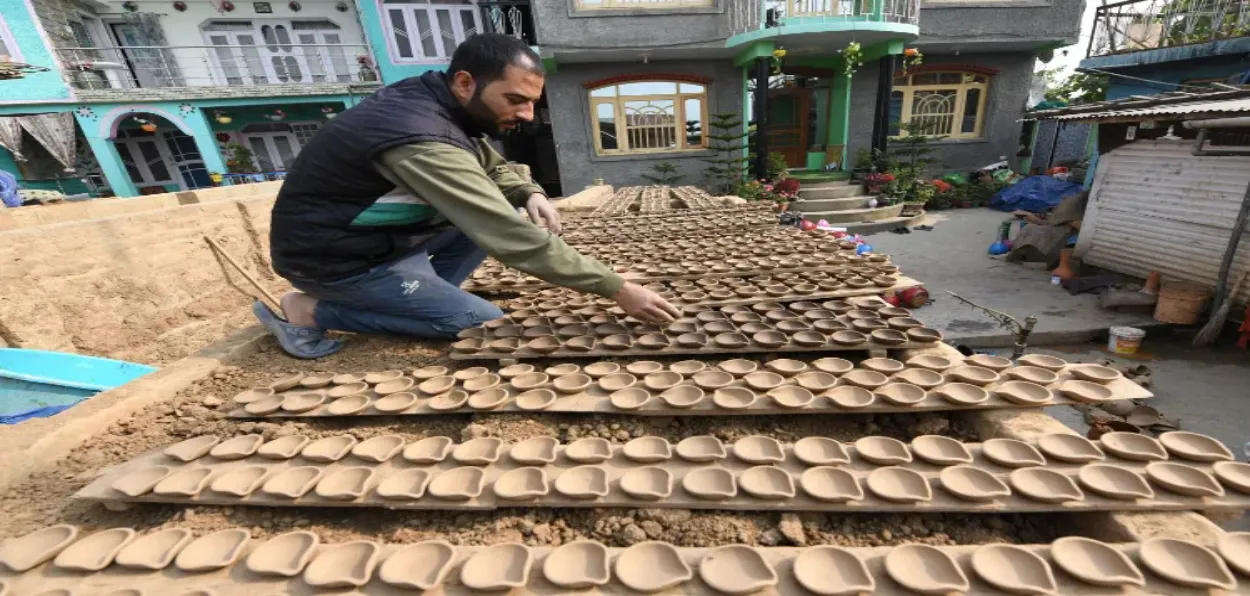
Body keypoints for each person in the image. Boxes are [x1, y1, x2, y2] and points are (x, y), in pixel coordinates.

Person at [255, 34, 679, 358]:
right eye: (515, 100)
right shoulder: (419, 136)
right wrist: (616, 288)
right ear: (464, 82)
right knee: (478, 321)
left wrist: (527, 191)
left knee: (493, 213)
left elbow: (490, 166)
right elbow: (507, 234)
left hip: (375, 242)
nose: (527, 115)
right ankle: (310, 311)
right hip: (338, 263)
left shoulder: (441, 107)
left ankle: (417, 297)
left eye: (532, 102)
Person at [1006, 191, 1089, 267]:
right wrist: (1034, 218)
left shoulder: (1077, 215)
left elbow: (1072, 225)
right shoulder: (1070, 207)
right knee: (1029, 228)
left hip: (1064, 235)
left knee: (1033, 231)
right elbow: (1053, 222)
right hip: (1057, 227)